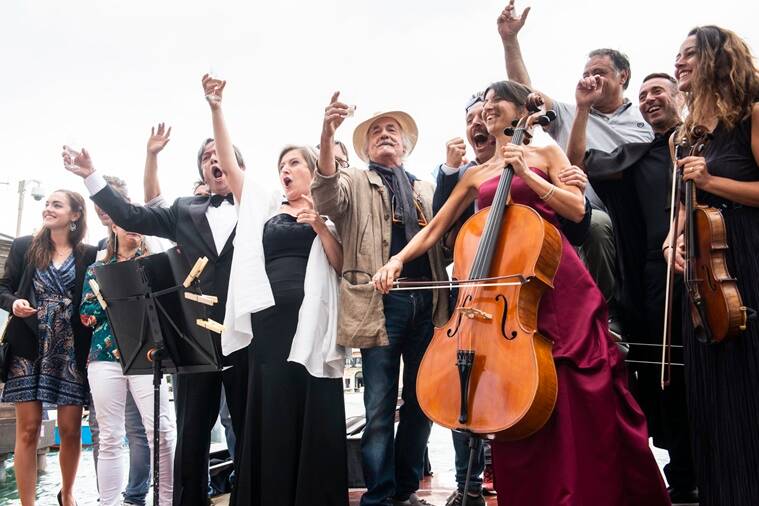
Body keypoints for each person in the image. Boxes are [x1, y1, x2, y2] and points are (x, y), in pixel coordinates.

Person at [373, 81, 670, 506]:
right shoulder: (476, 174)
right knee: (515, 396)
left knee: (577, 389)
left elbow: (579, 210)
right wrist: (397, 260)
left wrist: (527, 173)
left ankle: (592, 490)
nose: (486, 110)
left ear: (519, 111)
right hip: (503, 298)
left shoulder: (545, 151)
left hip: (555, 282)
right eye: (482, 105)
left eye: (496, 103)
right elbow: (436, 228)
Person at [62, 136, 249, 506]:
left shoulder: (258, 204)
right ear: (202, 172)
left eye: (220, 154)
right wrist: (91, 176)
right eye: (206, 157)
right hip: (196, 338)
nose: (214, 160)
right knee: (192, 432)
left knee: (247, 429)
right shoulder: (183, 209)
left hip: (248, 332)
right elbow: (133, 216)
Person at [200, 75, 348, 505]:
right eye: (281, 165)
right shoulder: (264, 207)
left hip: (315, 324)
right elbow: (229, 166)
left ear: (312, 170)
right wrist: (216, 108)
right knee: (275, 409)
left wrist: (319, 225)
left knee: (314, 406)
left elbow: (339, 264)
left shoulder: (331, 210)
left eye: (294, 163)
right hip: (269, 327)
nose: (285, 170)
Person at [313, 92, 449, 506]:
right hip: (380, 304)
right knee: (377, 406)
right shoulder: (353, 179)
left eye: (392, 130)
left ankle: (407, 489)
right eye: (376, 132)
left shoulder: (426, 186)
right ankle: (379, 495)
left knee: (423, 402)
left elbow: (448, 234)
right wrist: (326, 134)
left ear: (405, 146)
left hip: (429, 303)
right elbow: (325, 197)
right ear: (367, 148)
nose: (385, 135)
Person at [568, 72, 698, 503]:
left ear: (680, 96)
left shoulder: (702, 146)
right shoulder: (637, 156)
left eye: (658, 90)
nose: (649, 99)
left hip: (709, 272)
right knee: (665, 381)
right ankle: (682, 473)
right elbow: (578, 164)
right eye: (642, 95)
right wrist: (582, 109)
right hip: (651, 282)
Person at [497, 0, 653, 329]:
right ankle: (602, 313)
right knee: (594, 226)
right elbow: (526, 95)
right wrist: (510, 41)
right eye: (586, 74)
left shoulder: (644, 119)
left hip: (635, 217)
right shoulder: (568, 111)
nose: (591, 79)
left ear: (623, 76)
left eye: (600, 72)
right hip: (578, 213)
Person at [664, 25, 759, 505]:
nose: (678, 63)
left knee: (748, 389)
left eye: (688, 55)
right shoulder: (685, 135)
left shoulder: (751, 116)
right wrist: (671, 241)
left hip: (747, 260)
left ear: (716, 60)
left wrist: (713, 181)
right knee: (709, 397)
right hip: (703, 273)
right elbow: (683, 206)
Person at [0, 189, 97, 506]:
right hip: (28, 344)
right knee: (27, 430)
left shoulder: (88, 254)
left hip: (70, 348)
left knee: (70, 429)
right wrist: (14, 303)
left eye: (57, 204)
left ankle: (66, 495)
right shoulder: (24, 246)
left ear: (75, 215)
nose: (48, 208)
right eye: (46, 203)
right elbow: (3, 288)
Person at [79, 224, 177, 506]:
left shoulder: (153, 266)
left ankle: (167, 501)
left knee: (161, 430)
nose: (135, 230)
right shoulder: (97, 268)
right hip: (104, 356)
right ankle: (108, 503)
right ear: (114, 227)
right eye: (127, 224)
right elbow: (87, 313)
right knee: (110, 436)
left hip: (148, 355)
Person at [88, 174, 152, 506]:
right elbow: (89, 306)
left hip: (141, 348)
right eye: (97, 203)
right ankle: (107, 497)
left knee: (143, 427)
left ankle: (137, 494)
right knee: (105, 430)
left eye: (108, 201)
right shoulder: (97, 254)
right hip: (105, 354)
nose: (102, 209)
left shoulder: (144, 243)